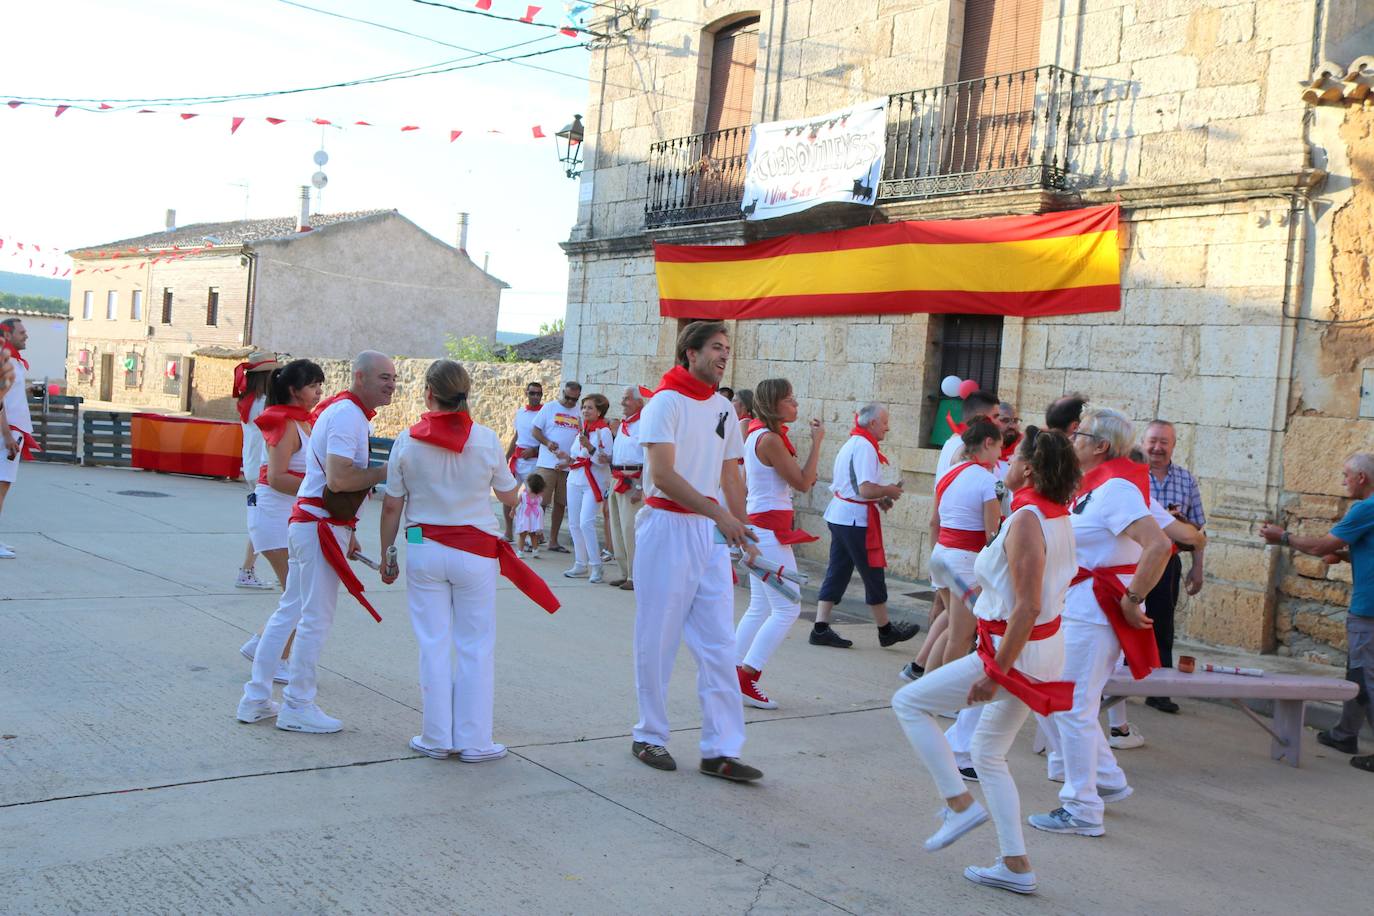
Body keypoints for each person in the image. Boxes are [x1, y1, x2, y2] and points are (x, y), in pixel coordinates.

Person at [892, 428, 1080, 896]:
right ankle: (1016, 864)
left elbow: (1028, 606)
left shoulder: (1027, 520)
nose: (1006, 465)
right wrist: (973, 592)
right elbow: (1019, 596)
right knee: (988, 754)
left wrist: (995, 673)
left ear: (1030, 469)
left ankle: (959, 804)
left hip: (1015, 651)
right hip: (1030, 648)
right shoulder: (1054, 515)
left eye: (1015, 458)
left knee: (909, 703)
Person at [378, 359, 558, 760]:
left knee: (433, 643)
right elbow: (510, 496)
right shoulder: (487, 439)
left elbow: (392, 507)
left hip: (424, 548)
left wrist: (388, 552)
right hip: (475, 553)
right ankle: (476, 741)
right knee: (475, 645)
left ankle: (436, 736)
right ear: (466, 393)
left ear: (428, 393)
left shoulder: (407, 440)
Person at [1028, 408, 1172, 838]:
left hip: (1093, 614)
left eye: (1080, 434)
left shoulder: (1116, 492)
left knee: (1071, 703)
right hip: (1073, 607)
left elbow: (1159, 544)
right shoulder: (1091, 491)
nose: (1072, 439)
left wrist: (1133, 599)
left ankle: (1082, 808)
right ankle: (1105, 779)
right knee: (1053, 695)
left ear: (1100, 446)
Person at [630, 320, 763, 782]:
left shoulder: (724, 406)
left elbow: (731, 474)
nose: (724, 355)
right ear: (690, 353)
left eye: (727, 348)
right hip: (667, 526)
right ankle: (649, 735)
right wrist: (720, 517)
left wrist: (741, 525)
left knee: (719, 643)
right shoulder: (664, 403)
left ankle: (721, 750)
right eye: (715, 348)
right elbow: (662, 475)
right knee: (658, 636)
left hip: (707, 532)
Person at [236, 351, 394, 733]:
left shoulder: (339, 414)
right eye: (384, 377)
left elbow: (329, 482)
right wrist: (391, 469)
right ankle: (298, 704)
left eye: (393, 378)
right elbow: (339, 479)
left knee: (291, 610)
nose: (392, 384)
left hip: (314, 522)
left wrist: (349, 530)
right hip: (315, 524)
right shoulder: (346, 417)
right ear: (360, 377)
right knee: (313, 618)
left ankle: (257, 697)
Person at [1260, 453, 1374, 774]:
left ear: (1362, 478)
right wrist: (1344, 555)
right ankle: (1344, 734)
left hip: (1369, 608)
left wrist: (1281, 537)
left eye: (1346, 475)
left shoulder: (1365, 508)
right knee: (1358, 672)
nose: (1343, 481)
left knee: (1366, 675)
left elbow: (1316, 547)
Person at [734, 378, 824, 709]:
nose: (796, 404)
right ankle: (746, 677)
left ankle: (727, 674)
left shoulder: (757, 433)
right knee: (788, 607)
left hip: (764, 530)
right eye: (790, 399)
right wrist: (818, 443)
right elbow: (802, 482)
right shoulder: (769, 439)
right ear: (774, 404)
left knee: (760, 607)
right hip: (770, 533)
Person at [239, 359, 326, 682]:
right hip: (275, 515)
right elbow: (276, 477)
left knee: (298, 594)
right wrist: (322, 492)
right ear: (293, 390)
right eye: (313, 385)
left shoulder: (303, 422)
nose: (318, 391)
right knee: (299, 595)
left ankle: (263, 646)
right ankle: (274, 657)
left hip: (287, 516)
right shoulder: (286, 424)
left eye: (320, 385)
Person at [811, 403, 919, 650]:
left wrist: (880, 498)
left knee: (838, 570)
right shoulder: (865, 447)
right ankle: (885, 631)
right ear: (872, 423)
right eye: (884, 422)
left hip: (841, 515)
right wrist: (888, 490)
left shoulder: (855, 443)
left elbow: (855, 487)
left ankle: (820, 627)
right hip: (853, 520)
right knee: (872, 572)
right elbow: (865, 489)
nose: (887, 427)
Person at [1138, 420, 1206, 715]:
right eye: (1153, 441)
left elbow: (1199, 528)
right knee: (1123, 619)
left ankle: (1159, 690)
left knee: (1162, 624)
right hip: (1134, 559)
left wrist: (1197, 568)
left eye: (1164, 442)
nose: (1157, 447)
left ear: (1173, 445)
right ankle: (1113, 683)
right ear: (1143, 443)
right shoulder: (1133, 476)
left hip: (1168, 562)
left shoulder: (1186, 480)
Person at [234, 354, 278, 590]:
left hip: (251, 465)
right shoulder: (265, 404)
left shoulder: (248, 400)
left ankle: (248, 569)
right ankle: (247, 570)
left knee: (262, 521)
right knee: (265, 523)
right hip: (263, 467)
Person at [564, 393, 613, 583]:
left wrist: (590, 447)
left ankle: (597, 566)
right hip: (575, 479)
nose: (585, 410)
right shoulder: (582, 430)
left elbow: (604, 459)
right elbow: (576, 454)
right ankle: (580, 563)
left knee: (586, 522)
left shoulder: (604, 432)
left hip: (594, 481)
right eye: (584, 407)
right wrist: (567, 461)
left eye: (590, 407)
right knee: (574, 523)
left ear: (599, 411)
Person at [531, 380, 582, 553]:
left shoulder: (579, 412)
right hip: (547, 463)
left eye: (574, 399)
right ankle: (534, 537)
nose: (569, 402)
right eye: (567, 397)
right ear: (562, 392)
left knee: (561, 504)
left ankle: (553, 541)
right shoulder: (550, 407)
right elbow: (535, 430)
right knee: (541, 502)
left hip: (568, 466)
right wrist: (547, 442)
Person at [607, 385, 650, 590]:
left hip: (633, 479)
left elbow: (649, 459)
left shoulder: (644, 424)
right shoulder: (625, 425)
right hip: (617, 477)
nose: (622, 402)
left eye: (626, 399)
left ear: (639, 402)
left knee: (630, 529)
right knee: (617, 527)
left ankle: (635, 576)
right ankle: (624, 571)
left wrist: (641, 487)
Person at [0, 318, 36, 559]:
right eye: (22, 332)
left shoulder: (14, 362)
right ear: (8, 334)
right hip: (8, 433)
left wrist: (28, 391)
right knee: (1, 488)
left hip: (13, 431)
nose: (26, 336)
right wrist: (7, 437)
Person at [503, 381, 544, 542]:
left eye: (538, 393)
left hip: (534, 461)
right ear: (525, 393)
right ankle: (508, 532)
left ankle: (530, 538)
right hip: (517, 460)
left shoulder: (544, 413)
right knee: (508, 495)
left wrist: (535, 450)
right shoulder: (520, 412)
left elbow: (549, 438)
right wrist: (506, 456)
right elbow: (517, 435)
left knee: (530, 501)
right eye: (532, 393)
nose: (535, 396)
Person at [515, 472, 546, 557]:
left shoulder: (523, 495)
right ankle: (535, 550)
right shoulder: (539, 497)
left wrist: (512, 510)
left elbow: (516, 503)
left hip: (525, 517)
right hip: (535, 518)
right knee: (533, 535)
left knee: (522, 535)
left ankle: (520, 551)